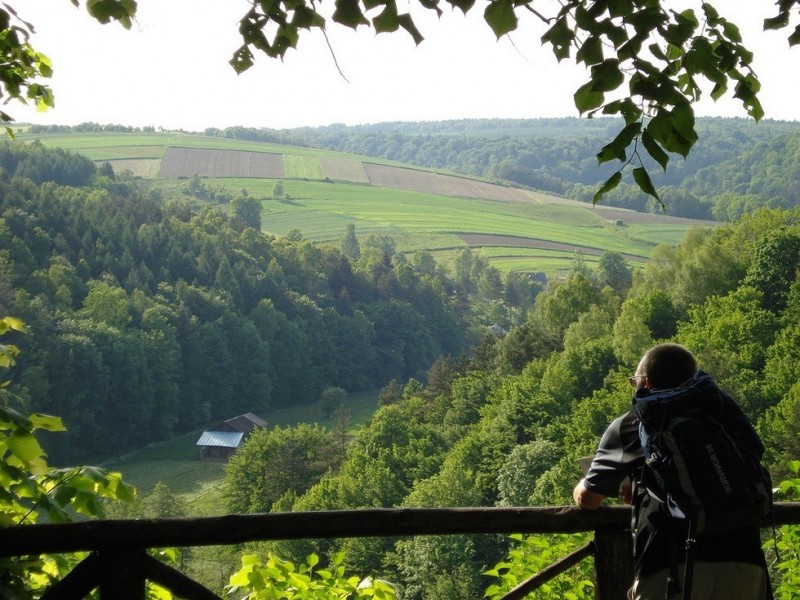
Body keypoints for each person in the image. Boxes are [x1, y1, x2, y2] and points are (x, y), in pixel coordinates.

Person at [573, 343, 771, 599]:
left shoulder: (632, 424)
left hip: (668, 568)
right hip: (745, 562)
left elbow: (589, 499)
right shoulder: (725, 415)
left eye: (635, 382)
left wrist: (580, 486)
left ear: (646, 383)